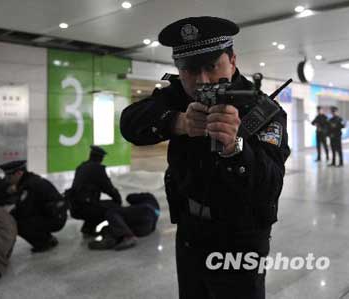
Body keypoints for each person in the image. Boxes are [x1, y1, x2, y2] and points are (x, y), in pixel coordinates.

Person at [120, 17, 290, 299]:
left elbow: (270, 185)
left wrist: (235, 147)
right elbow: (130, 124)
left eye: (212, 66)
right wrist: (178, 122)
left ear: (232, 60)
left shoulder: (262, 109)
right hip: (190, 230)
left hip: (241, 236)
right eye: (190, 70)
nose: (202, 81)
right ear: (178, 69)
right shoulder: (177, 96)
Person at [0, 160, 68, 253]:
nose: (7, 178)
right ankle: (48, 238)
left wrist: (6, 217)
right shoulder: (29, 180)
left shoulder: (29, 185)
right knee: (21, 217)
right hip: (54, 214)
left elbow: (24, 210)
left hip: (56, 217)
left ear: (19, 173)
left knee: (16, 222)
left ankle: (43, 243)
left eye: (9, 175)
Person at [66, 145, 122, 237]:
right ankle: (92, 229)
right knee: (112, 207)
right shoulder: (97, 169)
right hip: (84, 207)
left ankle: (87, 228)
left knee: (97, 204)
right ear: (100, 158)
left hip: (75, 207)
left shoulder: (81, 167)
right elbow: (108, 188)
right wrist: (118, 200)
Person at [89, 193, 160, 251]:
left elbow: (129, 197)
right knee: (113, 227)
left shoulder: (148, 196)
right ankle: (113, 239)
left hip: (146, 212)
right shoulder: (154, 205)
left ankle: (128, 237)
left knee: (112, 212)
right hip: (147, 229)